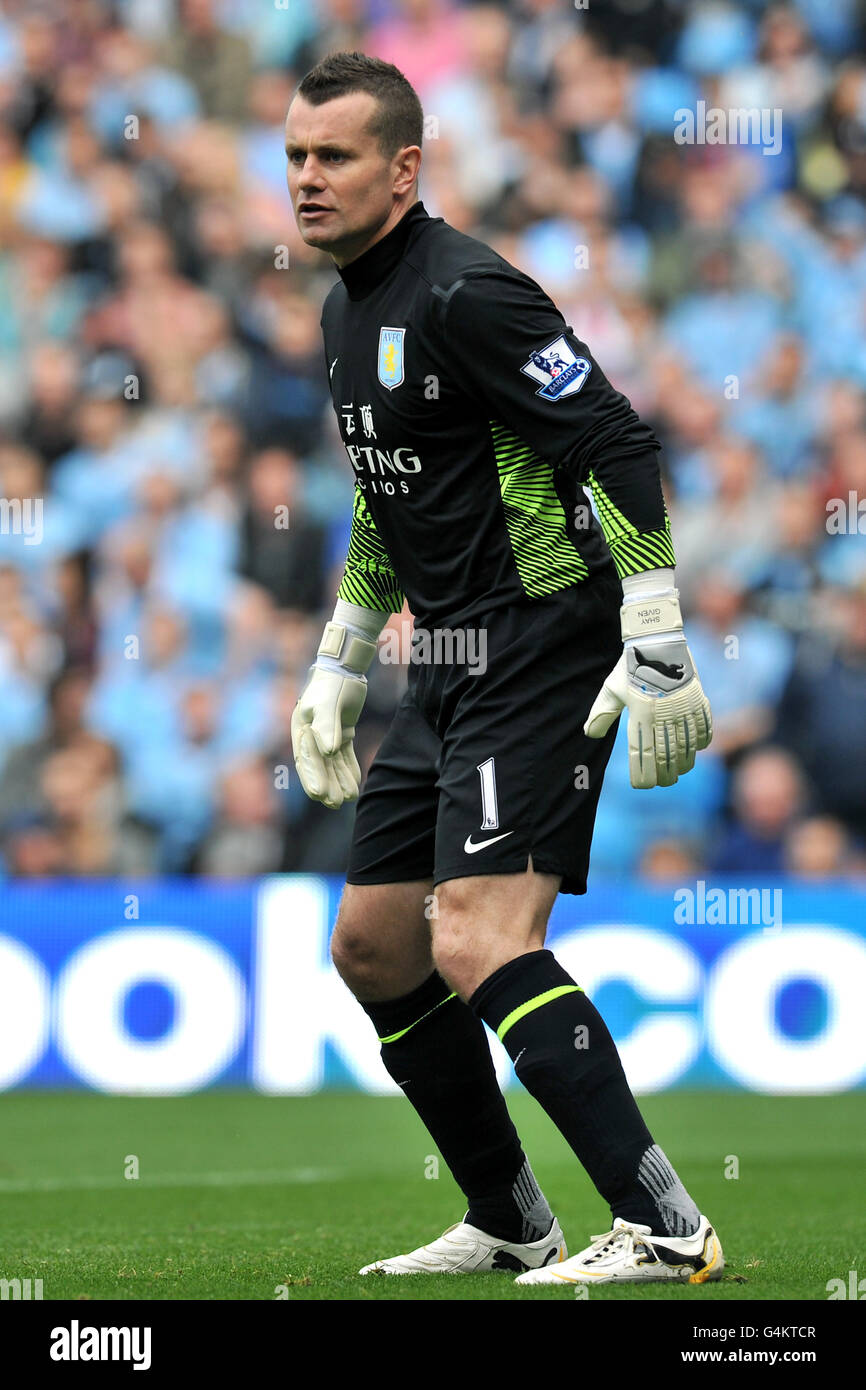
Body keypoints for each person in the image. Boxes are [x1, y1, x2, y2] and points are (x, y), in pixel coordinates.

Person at [288, 51, 721, 1287]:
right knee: (375, 945)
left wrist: (656, 629)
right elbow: (393, 500)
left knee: (477, 936)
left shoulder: (469, 291)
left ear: (404, 167)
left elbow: (614, 436)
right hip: (449, 655)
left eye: (334, 157)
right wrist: (341, 652)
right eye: (295, 158)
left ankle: (668, 1227)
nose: (306, 180)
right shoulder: (341, 309)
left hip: (543, 641)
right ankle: (510, 1217)